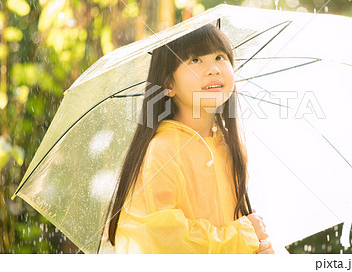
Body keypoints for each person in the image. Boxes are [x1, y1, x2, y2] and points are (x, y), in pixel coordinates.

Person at [106, 23, 275, 254]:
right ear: (168, 84)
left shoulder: (229, 147)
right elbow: (163, 238)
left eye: (220, 57)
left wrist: (259, 251)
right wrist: (243, 237)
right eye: (195, 60)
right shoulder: (163, 150)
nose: (213, 69)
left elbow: (235, 226)